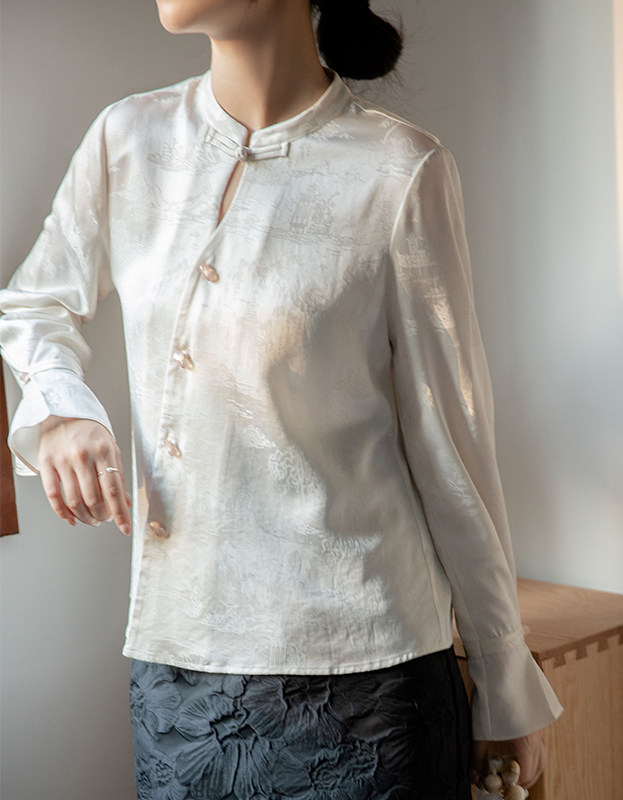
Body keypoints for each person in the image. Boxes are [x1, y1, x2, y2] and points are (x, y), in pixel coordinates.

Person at [0, 1, 562, 797]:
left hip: (369, 686)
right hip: (176, 669)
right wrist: (61, 412)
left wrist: (504, 682)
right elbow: (33, 304)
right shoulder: (127, 139)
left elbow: (453, 445)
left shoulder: (400, 169)